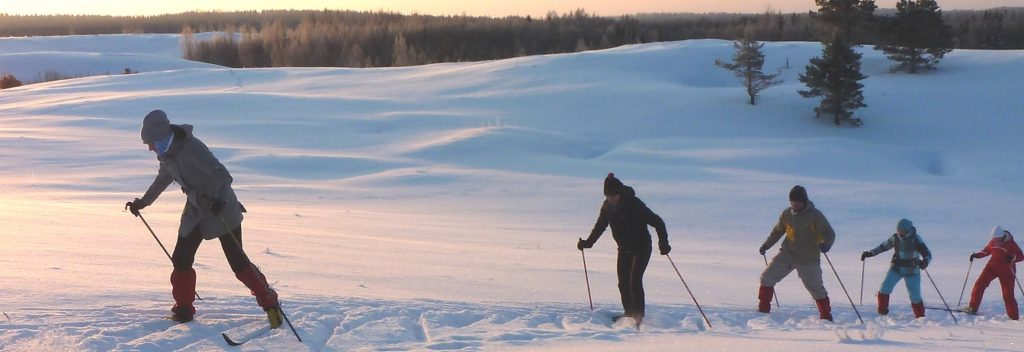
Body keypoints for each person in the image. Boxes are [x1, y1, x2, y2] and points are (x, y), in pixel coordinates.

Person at [124, 110, 283, 327]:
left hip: (222, 208)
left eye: (151, 143)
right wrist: (143, 202)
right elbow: (162, 179)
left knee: (238, 263)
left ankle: (270, 303)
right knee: (181, 258)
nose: (150, 148)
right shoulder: (167, 155)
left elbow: (222, 175)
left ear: (162, 137)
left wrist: (219, 200)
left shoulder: (192, 148)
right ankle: (183, 309)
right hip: (197, 209)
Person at [577, 173, 671, 326]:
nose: (611, 198)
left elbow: (657, 222)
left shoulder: (634, 204)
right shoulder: (607, 207)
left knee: (635, 281)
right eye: (608, 196)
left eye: (613, 195)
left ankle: (638, 317)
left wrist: (664, 243)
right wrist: (588, 243)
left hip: (642, 247)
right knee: (623, 283)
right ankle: (629, 314)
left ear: (620, 193)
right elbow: (600, 226)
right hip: (624, 248)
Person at [757, 185, 836, 321]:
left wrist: (826, 245)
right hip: (787, 254)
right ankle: (763, 310)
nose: (794, 204)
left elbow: (829, 232)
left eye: (797, 202)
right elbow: (777, 231)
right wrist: (766, 245)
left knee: (816, 289)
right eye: (792, 201)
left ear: (804, 201)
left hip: (808, 258)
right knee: (766, 278)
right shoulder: (786, 214)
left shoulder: (815, 215)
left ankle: (826, 317)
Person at [860, 219, 932, 318]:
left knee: (915, 296)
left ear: (908, 230)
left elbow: (927, 253)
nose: (900, 234)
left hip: (912, 271)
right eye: (898, 231)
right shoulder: (895, 238)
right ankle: (882, 312)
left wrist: (925, 261)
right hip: (896, 268)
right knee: (885, 287)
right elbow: (883, 247)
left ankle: (920, 317)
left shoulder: (915, 239)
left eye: (902, 232)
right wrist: (870, 253)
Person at [966, 226, 1023, 320]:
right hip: (992, 267)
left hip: (1007, 271)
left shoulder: (1010, 243)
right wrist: (976, 255)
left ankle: (1014, 317)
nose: (995, 241)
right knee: (979, 285)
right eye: (994, 239)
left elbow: (1021, 256)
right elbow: (986, 251)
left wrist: (1012, 257)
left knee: (1008, 295)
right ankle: (972, 308)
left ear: (1002, 236)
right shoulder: (993, 241)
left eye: (997, 239)